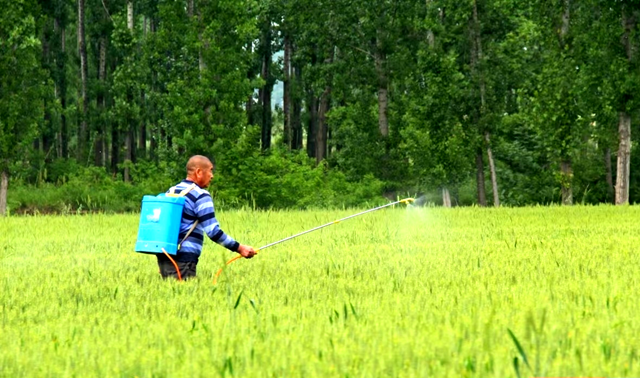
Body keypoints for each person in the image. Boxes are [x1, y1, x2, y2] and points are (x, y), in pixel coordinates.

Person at [157, 155, 256, 279]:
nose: (212, 175)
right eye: (210, 170)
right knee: (186, 295)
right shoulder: (201, 195)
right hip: (184, 258)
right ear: (199, 172)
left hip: (164, 255)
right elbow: (213, 231)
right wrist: (240, 248)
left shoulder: (171, 191)